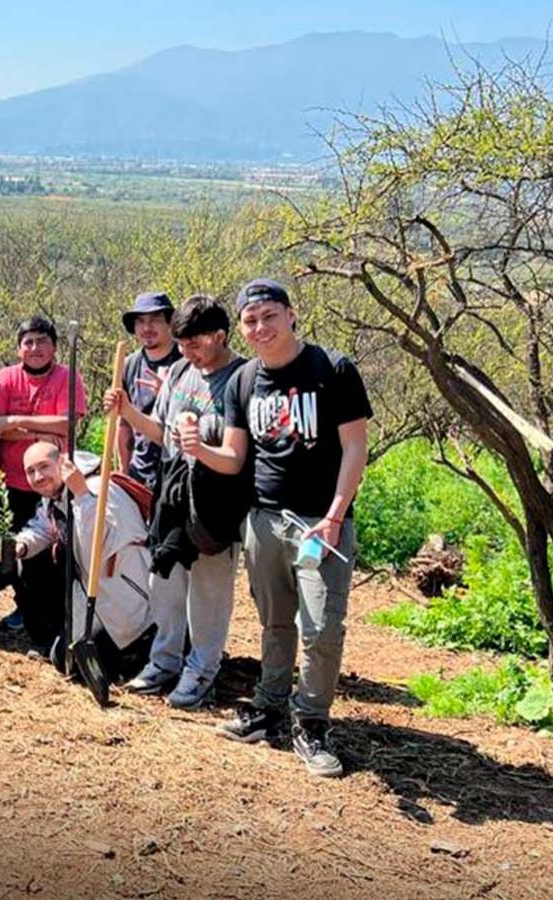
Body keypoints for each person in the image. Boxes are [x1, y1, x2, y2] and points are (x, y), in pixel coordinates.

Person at [183, 279, 371, 778]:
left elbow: (356, 449)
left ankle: (311, 722)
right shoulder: (245, 381)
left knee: (323, 628)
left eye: (269, 315)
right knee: (276, 623)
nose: (260, 327)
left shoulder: (333, 370)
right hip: (264, 520)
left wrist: (334, 516)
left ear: (292, 315)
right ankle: (268, 708)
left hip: (319, 525)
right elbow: (236, 458)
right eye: (250, 320)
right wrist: (200, 451)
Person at [103, 295, 245, 708]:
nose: (186, 352)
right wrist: (128, 411)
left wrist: (201, 447)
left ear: (220, 336)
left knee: (208, 589)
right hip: (174, 491)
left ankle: (202, 670)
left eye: (195, 344)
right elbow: (162, 432)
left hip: (217, 497)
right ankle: (164, 660)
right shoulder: (181, 370)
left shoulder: (241, 378)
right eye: (181, 344)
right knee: (163, 578)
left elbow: (240, 455)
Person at [0, 315, 87, 646]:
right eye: (28, 342)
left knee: (52, 549)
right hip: (12, 478)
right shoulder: (5, 378)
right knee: (16, 547)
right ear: (18, 348)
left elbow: (68, 424)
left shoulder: (68, 378)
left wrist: (21, 422)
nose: (35, 348)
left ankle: (33, 608)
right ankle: (14, 599)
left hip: (56, 481)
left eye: (42, 341)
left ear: (54, 346)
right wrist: (43, 428)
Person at [13, 443, 157, 665]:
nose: (38, 476)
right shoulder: (56, 494)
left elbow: (100, 546)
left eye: (44, 467)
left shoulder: (98, 488)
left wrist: (81, 496)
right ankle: (52, 634)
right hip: (94, 595)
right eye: (30, 471)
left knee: (69, 663)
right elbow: (43, 528)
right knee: (30, 559)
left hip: (126, 599)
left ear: (61, 463)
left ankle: (145, 648)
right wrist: (20, 545)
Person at [116, 292, 182, 494]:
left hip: (177, 470)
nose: (147, 328)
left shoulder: (187, 360)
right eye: (141, 321)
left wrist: (170, 395)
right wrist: (124, 470)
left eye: (155, 320)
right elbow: (124, 422)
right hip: (141, 472)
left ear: (170, 323)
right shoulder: (128, 364)